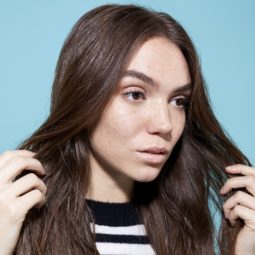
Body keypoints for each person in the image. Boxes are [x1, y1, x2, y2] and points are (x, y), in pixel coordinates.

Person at [0, 3, 254, 255]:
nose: (165, 125)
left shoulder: (186, 229)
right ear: (85, 95)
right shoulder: (19, 221)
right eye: (135, 94)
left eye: (179, 102)